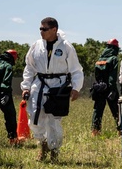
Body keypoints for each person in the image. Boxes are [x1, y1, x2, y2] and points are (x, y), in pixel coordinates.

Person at [21, 17, 84, 161]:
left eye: (44, 29)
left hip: (58, 86)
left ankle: (54, 149)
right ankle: (43, 144)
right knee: (35, 118)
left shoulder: (66, 46)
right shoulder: (36, 46)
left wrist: (76, 88)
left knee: (54, 120)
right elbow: (29, 68)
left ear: (54, 30)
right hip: (39, 84)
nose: (41, 32)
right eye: (40, 29)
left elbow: (76, 69)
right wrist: (26, 86)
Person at [90, 38, 120, 136]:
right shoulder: (113, 59)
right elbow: (112, 77)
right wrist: (113, 90)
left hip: (99, 88)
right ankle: (121, 131)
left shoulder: (99, 60)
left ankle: (95, 131)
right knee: (117, 110)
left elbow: (96, 75)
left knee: (98, 110)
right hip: (109, 88)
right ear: (115, 48)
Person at [0, 49, 22, 145]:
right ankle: (13, 138)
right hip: (3, 94)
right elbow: (6, 82)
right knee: (10, 115)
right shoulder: (8, 66)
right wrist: (5, 94)